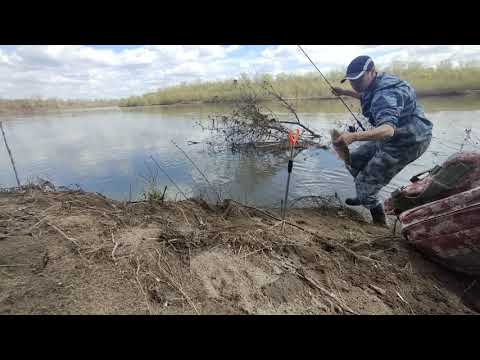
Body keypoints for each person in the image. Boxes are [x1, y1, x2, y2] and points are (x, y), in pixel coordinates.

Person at [331, 55, 433, 226]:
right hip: (395, 135)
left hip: (409, 141)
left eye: (358, 79)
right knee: (351, 160)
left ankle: (378, 221)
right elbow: (365, 93)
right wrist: (344, 92)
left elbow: (387, 130)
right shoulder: (376, 82)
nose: (354, 84)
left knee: (366, 185)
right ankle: (365, 193)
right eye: (351, 81)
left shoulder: (386, 94)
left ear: (372, 72)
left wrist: (353, 136)